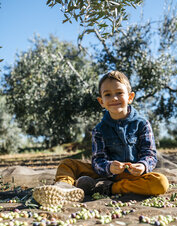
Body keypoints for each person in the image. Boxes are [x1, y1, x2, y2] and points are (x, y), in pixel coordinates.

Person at [33, 71, 169, 206]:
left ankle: (108, 188)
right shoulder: (99, 129)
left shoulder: (142, 124)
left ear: (130, 97)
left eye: (119, 93)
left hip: (132, 176)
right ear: (101, 101)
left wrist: (143, 166)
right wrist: (109, 167)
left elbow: (150, 155)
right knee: (68, 164)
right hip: (105, 174)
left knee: (160, 183)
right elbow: (98, 160)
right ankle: (63, 188)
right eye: (108, 94)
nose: (114, 98)